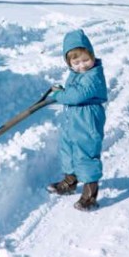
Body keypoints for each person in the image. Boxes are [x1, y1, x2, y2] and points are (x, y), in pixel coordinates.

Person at [48, 29, 107, 211]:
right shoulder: (76, 73)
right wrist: (61, 91)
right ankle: (70, 181)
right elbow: (71, 93)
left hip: (87, 118)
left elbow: (76, 96)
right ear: (69, 62)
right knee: (69, 149)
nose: (81, 65)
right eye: (75, 62)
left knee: (85, 152)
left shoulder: (94, 75)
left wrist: (60, 95)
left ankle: (90, 194)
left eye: (85, 60)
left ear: (92, 55)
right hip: (73, 119)